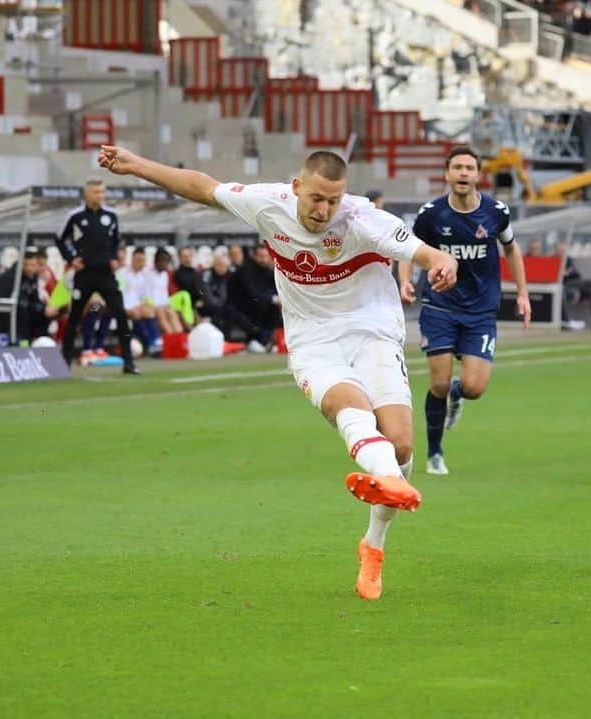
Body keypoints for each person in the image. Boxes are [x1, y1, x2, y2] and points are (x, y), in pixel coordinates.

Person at [97, 143, 458, 601]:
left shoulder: (363, 220)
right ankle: (387, 479)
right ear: (296, 188)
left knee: (402, 444)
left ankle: (373, 543)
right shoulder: (269, 204)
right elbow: (204, 188)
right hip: (313, 342)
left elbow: (426, 253)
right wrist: (138, 164)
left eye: (333, 200)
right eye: (316, 199)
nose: (324, 210)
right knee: (353, 411)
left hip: (373, 334)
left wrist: (443, 263)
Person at [397, 145, 530, 477]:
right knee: (437, 384)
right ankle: (435, 453)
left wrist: (523, 292)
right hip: (440, 307)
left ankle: (459, 393)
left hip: (481, 312)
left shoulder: (496, 212)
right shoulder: (431, 214)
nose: (463, 173)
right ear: (447, 174)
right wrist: (405, 280)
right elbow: (405, 248)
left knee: (474, 388)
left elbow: (511, 250)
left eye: (469, 168)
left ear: (477, 175)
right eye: (457, 167)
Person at [56, 178, 137, 374]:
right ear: (86, 194)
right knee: (74, 318)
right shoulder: (75, 216)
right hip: (84, 274)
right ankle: (65, 363)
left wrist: (114, 257)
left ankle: (129, 363)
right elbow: (60, 238)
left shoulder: (111, 215)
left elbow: (116, 240)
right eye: (95, 192)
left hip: (106, 275)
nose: (99, 196)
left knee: (120, 314)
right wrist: (71, 258)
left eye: (102, 192)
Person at [0, 247, 50, 344]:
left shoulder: (32, 275)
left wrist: (44, 308)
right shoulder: (12, 277)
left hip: (20, 313)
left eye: (33, 265)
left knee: (43, 313)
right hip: (1, 314)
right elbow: (19, 301)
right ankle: (21, 344)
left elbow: (33, 298)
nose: (30, 268)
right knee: (24, 311)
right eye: (26, 265)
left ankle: (40, 341)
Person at [230, 245, 282, 346]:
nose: (263, 259)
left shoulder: (267, 270)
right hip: (244, 308)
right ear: (254, 256)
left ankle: (275, 340)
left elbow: (274, 289)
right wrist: (274, 299)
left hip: (262, 308)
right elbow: (252, 292)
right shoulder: (246, 269)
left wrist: (278, 299)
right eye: (260, 256)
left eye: (266, 256)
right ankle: (264, 340)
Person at [121, 247, 162, 355]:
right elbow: (118, 295)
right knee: (137, 313)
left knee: (149, 311)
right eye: (138, 260)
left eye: (142, 261)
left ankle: (156, 342)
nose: (140, 263)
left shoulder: (143, 276)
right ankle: (150, 344)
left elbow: (145, 297)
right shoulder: (122, 273)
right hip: (124, 307)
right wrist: (128, 308)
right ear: (132, 260)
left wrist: (146, 305)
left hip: (138, 307)